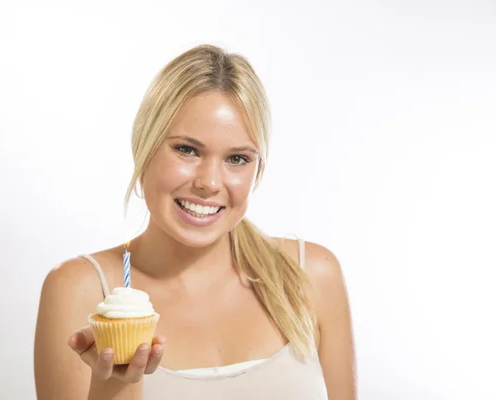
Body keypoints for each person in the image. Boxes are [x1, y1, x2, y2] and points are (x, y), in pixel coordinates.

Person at [34, 44, 356, 400]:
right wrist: (116, 383)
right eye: (187, 150)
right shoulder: (81, 290)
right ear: (144, 147)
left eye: (237, 158)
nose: (210, 182)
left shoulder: (310, 274)